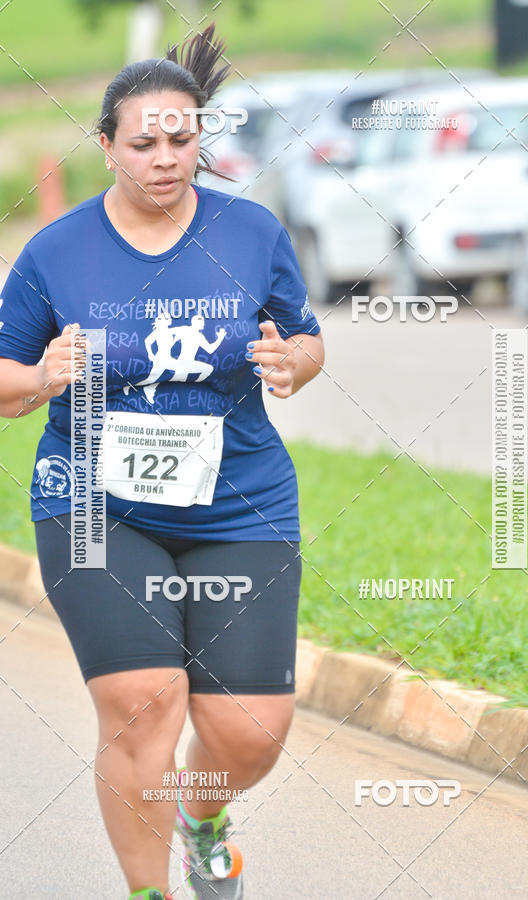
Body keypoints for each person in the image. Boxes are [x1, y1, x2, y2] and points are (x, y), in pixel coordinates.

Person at [0, 25, 324, 900]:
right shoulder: (55, 253)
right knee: (143, 703)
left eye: (181, 138)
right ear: (106, 146)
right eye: (143, 142)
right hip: (96, 506)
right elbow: (4, 378)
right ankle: (151, 894)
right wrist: (40, 376)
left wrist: (293, 362)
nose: (165, 158)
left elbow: (304, 338)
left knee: (249, 733)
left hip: (240, 503)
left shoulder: (251, 232)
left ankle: (203, 818)